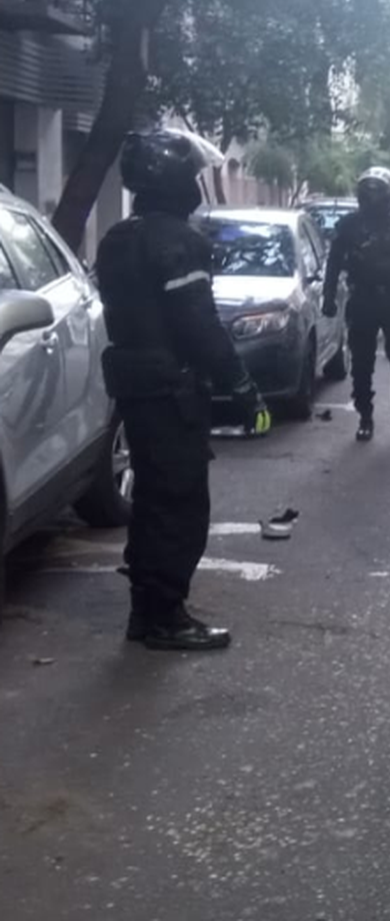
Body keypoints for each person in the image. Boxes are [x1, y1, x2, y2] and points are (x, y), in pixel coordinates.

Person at [94, 128, 271, 652]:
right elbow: (199, 325)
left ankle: (147, 611)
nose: (197, 186)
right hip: (171, 389)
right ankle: (164, 615)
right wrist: (244, 389)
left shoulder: (117, 237)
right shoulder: (176, 240)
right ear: (174, 180)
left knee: (151, 498)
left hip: (135, 387)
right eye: (192, 176)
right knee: (179, 504)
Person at [324, 167, 390, 442]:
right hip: (363, 299)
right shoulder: (348, 226)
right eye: (366, 196)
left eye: (377, 196)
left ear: (388, 198)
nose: (371, 202)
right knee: (361, 363)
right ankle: (365, 417)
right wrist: (327, 297)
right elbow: (334, 262)